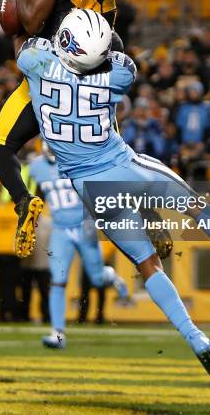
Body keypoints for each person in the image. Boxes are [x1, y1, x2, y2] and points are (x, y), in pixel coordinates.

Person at [16, 9, 210, 378]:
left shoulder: (34, 63)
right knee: (196, 208)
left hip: (89, 190)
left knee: (148, 264)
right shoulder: (115, 76)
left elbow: (26, 42)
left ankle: (197, 338)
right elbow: (119, 58)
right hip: (123, 168)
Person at [0, 0, 123, 259]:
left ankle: (23, 202)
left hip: (57, 71)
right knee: (111, 162)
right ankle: (143, 216)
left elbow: (29, 22)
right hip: (100, 63)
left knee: (0, 148)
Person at [29, 142, 128, 349]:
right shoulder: (36, 167)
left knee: (98, 279)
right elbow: (36, 195)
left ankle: (114, 279)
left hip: (85, 226)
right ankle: (57, 334)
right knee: (57, 280)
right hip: (60, 229)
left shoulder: (78, 159)